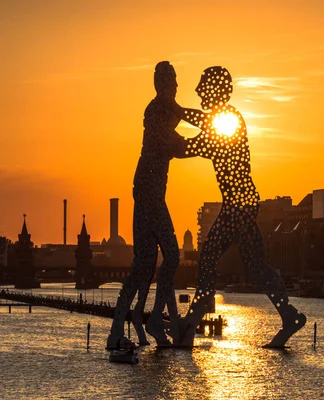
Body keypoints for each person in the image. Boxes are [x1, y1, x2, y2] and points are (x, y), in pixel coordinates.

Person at [170, 66, 306, 348]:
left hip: (238, 206)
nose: (197, 91)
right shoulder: (222, 121)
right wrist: (179, 115)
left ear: (217, 90)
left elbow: (195, 144)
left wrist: (173, 112)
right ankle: (288, 315)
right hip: (241, 203)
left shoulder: (229, 119)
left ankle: (189, 326)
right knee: (255, 265)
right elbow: (201, 133)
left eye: (202, 86)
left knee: (208, 259)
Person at [107, 61, 195, 349]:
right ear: (163, 84)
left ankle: (126, 324)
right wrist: (209, 143)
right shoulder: (156, 111)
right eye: (174, 81)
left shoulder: (168, 108)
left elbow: (188, 115)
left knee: (146, 264)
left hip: (151, 192)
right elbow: (175, 145)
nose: (178, 86)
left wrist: (214, 126)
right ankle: (156, 320)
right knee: (168, 256)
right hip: (148, 193)